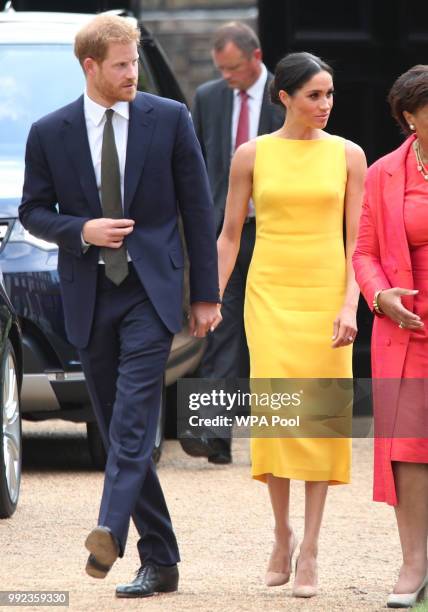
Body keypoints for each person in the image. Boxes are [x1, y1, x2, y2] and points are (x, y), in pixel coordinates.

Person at [19, 14, 221, 599]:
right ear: (91, 67)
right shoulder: (50, 131)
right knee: (117, 431)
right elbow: (34, 211)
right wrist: (83, 228)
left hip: (151, 294)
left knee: (133, 417)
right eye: (122, 64)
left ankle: (109, 526)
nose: (133, 73)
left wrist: (205, 295)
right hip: (88, 296)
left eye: (135, 62)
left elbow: (197, 208)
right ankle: (162, 559)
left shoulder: (170, 117)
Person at [217, 52, 366, 597]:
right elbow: (230, 235)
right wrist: (209, 298)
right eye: (313, 95)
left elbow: (359, 243)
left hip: (328, 296)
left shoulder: (350, 156)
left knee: (322, 419)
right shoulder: (251, 155)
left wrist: (351, 304)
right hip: (270, 297)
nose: (325, 105)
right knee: (279, 416)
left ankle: (311, 549)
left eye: (329, 94)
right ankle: (280, 534)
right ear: (284, 97)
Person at [180, 21, 283, 464]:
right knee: (220, 322)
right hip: (225, 231)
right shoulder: (207, 97)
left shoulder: (290, 94)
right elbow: (199, 162)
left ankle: (282, 433)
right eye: (220, 69)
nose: (227, 77)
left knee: (276, 329)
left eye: (234, 68)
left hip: (277, 229)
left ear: (256, 58)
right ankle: (215, 438)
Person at [353, 65, 428, 609]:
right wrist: (380, 297)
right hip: (409, 326)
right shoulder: (383, 174)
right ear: (410, 118)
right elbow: (364, 253)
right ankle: (414, 563)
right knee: (408, 448)